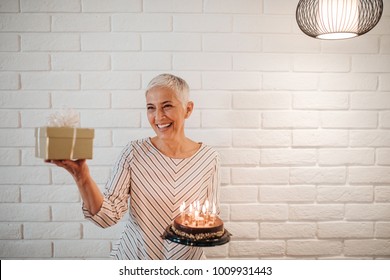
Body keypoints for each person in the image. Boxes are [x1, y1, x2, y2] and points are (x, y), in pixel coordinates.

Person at [47, 73, 221, 260]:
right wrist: (82, 177)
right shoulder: (133, 153)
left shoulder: (209, 158)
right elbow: (107, 217)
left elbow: (209, 219)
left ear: (188, 109)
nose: (158, 117)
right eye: (150, 108)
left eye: (167, 106)